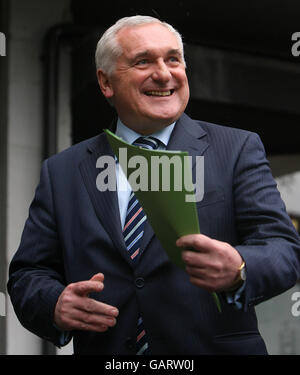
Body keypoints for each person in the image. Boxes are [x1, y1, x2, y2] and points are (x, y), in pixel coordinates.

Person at [7, 15, 300, 355]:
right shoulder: (62, 171)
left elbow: (284, 250)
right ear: (106, 83)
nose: (163, 73)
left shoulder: (236, 149)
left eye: (173, 59)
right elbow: (29, 273)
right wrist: (54, 304)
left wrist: (239, 267)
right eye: (143, 61)